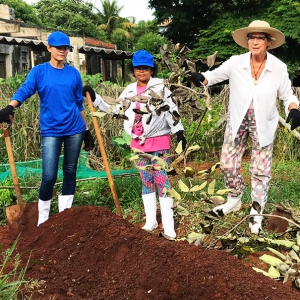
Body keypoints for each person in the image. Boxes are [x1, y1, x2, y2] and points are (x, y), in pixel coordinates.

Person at [191, 20, 300, 234]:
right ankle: (234, 198)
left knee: (260, 171)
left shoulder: (278, 67)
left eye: (260, 38)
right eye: (252, 37)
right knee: (227, 164)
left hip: (264, 124)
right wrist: (201, 78)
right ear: (247, 41)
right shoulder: (235, 63)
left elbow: (288, 96)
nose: (255, 41)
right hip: (237, 121)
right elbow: (212, 77)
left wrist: (294, 110)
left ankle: (256, 214)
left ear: (268, 42)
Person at [82, 49, 187, 239]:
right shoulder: (129, 90)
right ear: (133, 70)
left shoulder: (161, 87)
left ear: (152, 70)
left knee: (162, 181)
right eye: (138, 68)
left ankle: (169, 225)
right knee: (146, 180)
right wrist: (95, 97)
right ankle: (151, 221)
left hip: (159, 141)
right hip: (138, 144)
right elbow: (115, 108)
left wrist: (179, 132)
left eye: (145, 68)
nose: (142, 72)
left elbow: (172, 110)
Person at [0, 31, 94, 226]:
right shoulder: (39, 72)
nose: (62, 51)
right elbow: (26, 89)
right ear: (49, 48)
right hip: (51, 130)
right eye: (58, 47)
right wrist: (11, 106)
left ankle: (64, 217)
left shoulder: (73, 73)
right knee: (49, 175)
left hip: (74, 128)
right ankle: (43, 221)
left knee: (70, 171)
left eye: (65, 47)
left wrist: (86, 130)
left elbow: (79, 103)